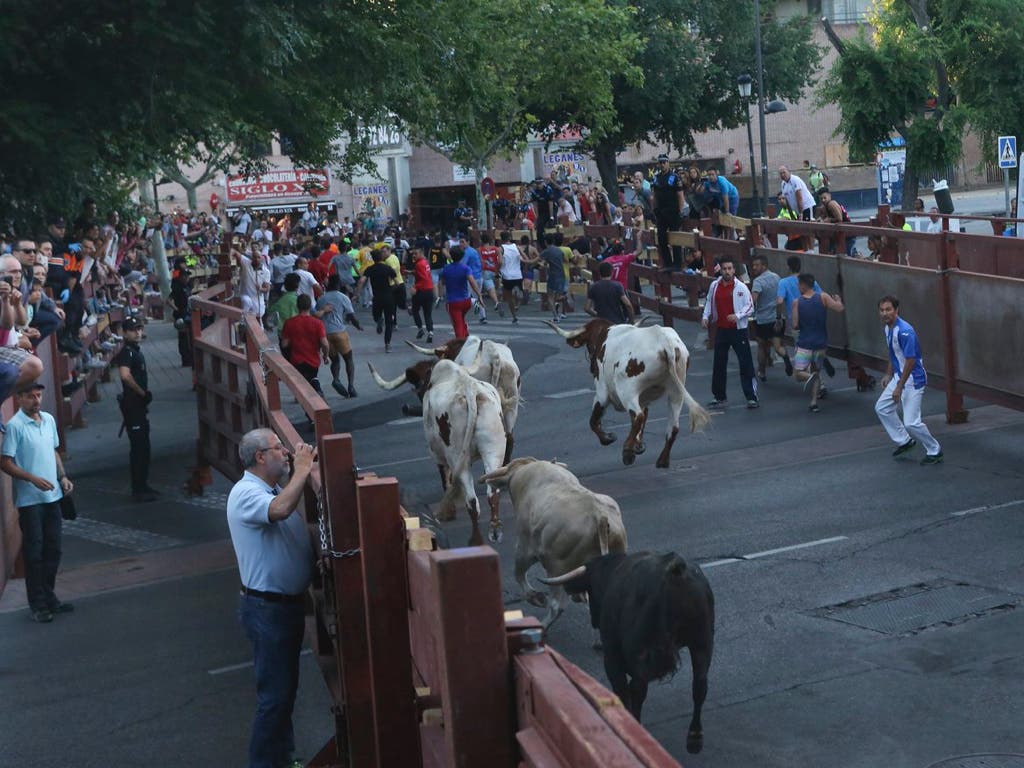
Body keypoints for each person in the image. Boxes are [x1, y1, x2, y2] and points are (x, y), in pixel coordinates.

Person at [228, 429, 315, 768]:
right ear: (260, 457)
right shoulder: (246, 493)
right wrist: (304, 471)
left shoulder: (270, 488)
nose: (286, 452)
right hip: (268, 609)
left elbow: (284, 503)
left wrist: (296, 476)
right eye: (278, 448)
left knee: (283, 693)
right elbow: (278, 510)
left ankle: (281, 757)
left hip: (280, 607)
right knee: (275, 698)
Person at [1, 382, 75, 623]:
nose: (36, 400)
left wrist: (62, 476)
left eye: (39, 395)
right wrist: (32, 479)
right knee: (34, 553)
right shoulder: (15, 426)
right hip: (30, 501)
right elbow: (6, 462)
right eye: (31, 396)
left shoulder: (49, 420)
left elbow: (53, 451)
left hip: (52, 496)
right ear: (20, 399)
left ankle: (50, 596)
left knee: (53, 549)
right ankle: (38, 604)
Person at [875, 296, 943, 464]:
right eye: (882, 310)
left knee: (911, 423)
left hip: (913, 380)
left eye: (888, 309)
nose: (885, 313)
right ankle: (904, 441)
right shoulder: (887, 328)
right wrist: (888, 374)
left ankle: (935, 450)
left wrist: (899, 387)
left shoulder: (905, 331)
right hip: (900, 377)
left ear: (896, 310)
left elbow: (911, 361)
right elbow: (894, 353)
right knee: (882, 408)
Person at [701, 257, 758, 408]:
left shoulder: (741, 287)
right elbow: (708, 301)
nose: (727, 271)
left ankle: (752, 397)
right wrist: (705, 316)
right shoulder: (715, 285)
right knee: (719, 363)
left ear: (734, 270)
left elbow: (750, 306)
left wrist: (737, 315)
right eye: (724, 268)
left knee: (745, 363)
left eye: (730, 268)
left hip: (738, 330)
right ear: (721, 269)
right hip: (722, 329)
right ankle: (719, 396)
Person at [114, 317, 157, 502]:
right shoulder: (127, 352)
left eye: (139, 329)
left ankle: (143, 485)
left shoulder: (135, 351)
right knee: (139, 448)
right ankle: (138, 488)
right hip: (133, 406)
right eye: (133, 330)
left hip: (138, 406)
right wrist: (141, 392)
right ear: (124, 332)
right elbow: (124, 375)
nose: (137, 333)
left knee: (144, 447)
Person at [791, 273, 845, 413]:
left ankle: (809, 377)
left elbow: (795, 325)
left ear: (803, 285)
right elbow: (839, 308)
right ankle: (813, 402)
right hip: (821, 343)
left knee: (797, 374)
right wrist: (838, 300)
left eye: (798, 284)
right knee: (816, 370)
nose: (798, 286)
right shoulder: (823, 297)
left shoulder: (797, 302)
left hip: (804, 343)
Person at [314, 275, 361, 398]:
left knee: (335, 360)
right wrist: (358, 326)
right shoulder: (343, 297)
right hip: (339, 332)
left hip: (326, 334)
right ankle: (351, 386)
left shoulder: (321, 299)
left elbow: (317, 315)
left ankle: (336, 379)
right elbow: (351, 316)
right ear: (339, 285)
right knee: (348, 359)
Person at [749, 255, 791, 380]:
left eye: (757, 265)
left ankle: (762, 372)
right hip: (777, 318)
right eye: (753, 265)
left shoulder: (758, 282)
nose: (754, 267)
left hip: (763, 319)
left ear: (764, 266)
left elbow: (753, 300)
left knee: (761, 345)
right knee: (778, 345)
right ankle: (785, 357)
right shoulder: (777, 277)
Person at [282, 294, 328, 394]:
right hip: (313, 360)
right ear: (310, 306)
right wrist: (325, 355)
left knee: (302, 383)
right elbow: (325, 343)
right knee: (312, 378)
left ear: (297, 306)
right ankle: (318, 391)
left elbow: (284, 344)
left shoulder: (289, 323)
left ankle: (306, 399)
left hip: (296, 360)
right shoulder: (317, 323)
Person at [354, 248, 398, 351]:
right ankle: (387, 344)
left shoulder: (370, 269)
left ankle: (378, 320)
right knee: (389, 322)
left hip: (377, 297)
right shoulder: (387, 268)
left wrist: (357, 294)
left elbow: (361, 281)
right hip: (388, 296)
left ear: (373, 258)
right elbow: (397, 282)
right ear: (381, 257)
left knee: (375, 315)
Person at [441, 245, 483, 340]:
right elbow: (472, 282)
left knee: (457, 324)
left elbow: (442, 282)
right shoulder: (465, 268)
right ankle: (467, 336)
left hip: (453, 302)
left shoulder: (446, 269)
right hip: (465, 301)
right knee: (461, 320)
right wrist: (479, 295)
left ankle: (460, 343)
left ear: (451, 256)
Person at [652, 154, 685, 269]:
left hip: (673, 211)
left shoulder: (675, 177)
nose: (662, 164)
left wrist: (680, 211)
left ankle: (677, 264)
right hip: (661, 212)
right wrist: (654, 209)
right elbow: (654, 195)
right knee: (661, 238)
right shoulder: (656, 178)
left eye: (664, 162)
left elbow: (680, 195)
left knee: (675, 238)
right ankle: (667, 263)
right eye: (660, 162)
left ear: (668, 163)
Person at [409, 248, 435, 343]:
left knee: (415, 310)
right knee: (427, 313)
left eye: (416, 253)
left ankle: (420, 329)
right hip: (429, 290)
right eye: (413, 254)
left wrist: (415, 287)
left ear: (421, 253)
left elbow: (424, 278)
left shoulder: (419, 264)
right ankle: (430, 331)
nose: (414, 256)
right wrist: (413, 272)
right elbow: (426, 275)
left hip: (421, 291)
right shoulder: (425, 262)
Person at [539, 234, 567, 322]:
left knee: (550, 296)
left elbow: (536, 260)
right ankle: (562, 298)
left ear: (546, 242)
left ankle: (555, 317)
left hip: (553, 275)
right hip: (562, 274)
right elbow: (564, 260)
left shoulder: (547, 251)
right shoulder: (559, 250)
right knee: (558, 295)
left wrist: (524, 260)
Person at [499, 231, 525, 324]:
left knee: (509, 298)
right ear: (510, 237)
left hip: (507, 275)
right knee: (519, 291)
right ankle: (518, 296)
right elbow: (524, 257)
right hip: (517, 274)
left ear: (501, 239)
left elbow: (500, 262)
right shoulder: (517, 247)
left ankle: (514, 317)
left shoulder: (501, 248)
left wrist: (498, 270)